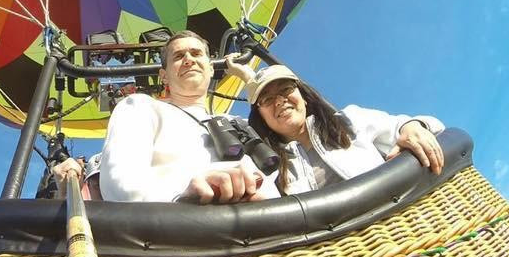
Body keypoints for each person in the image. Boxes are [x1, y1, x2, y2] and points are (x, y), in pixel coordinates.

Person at [98, 31, 279, 204]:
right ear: (164, 76)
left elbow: (293, 131)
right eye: (178, 56)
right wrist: (184, 192)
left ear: (211, 68)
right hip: (187, 219)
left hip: (274, 218)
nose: (189, 60)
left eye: (196, 54)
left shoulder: (237, 122)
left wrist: (247, 75)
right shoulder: (141, 107)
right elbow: (120, 184)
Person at [226, 60, 445, 195]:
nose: (279, 101)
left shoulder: (348, 121)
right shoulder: (267, 164)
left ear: (304, 97)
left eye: (285, 89)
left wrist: (414, 126)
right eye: (267, 99)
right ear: (260, 116)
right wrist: (244, 74)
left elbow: (410, 125)